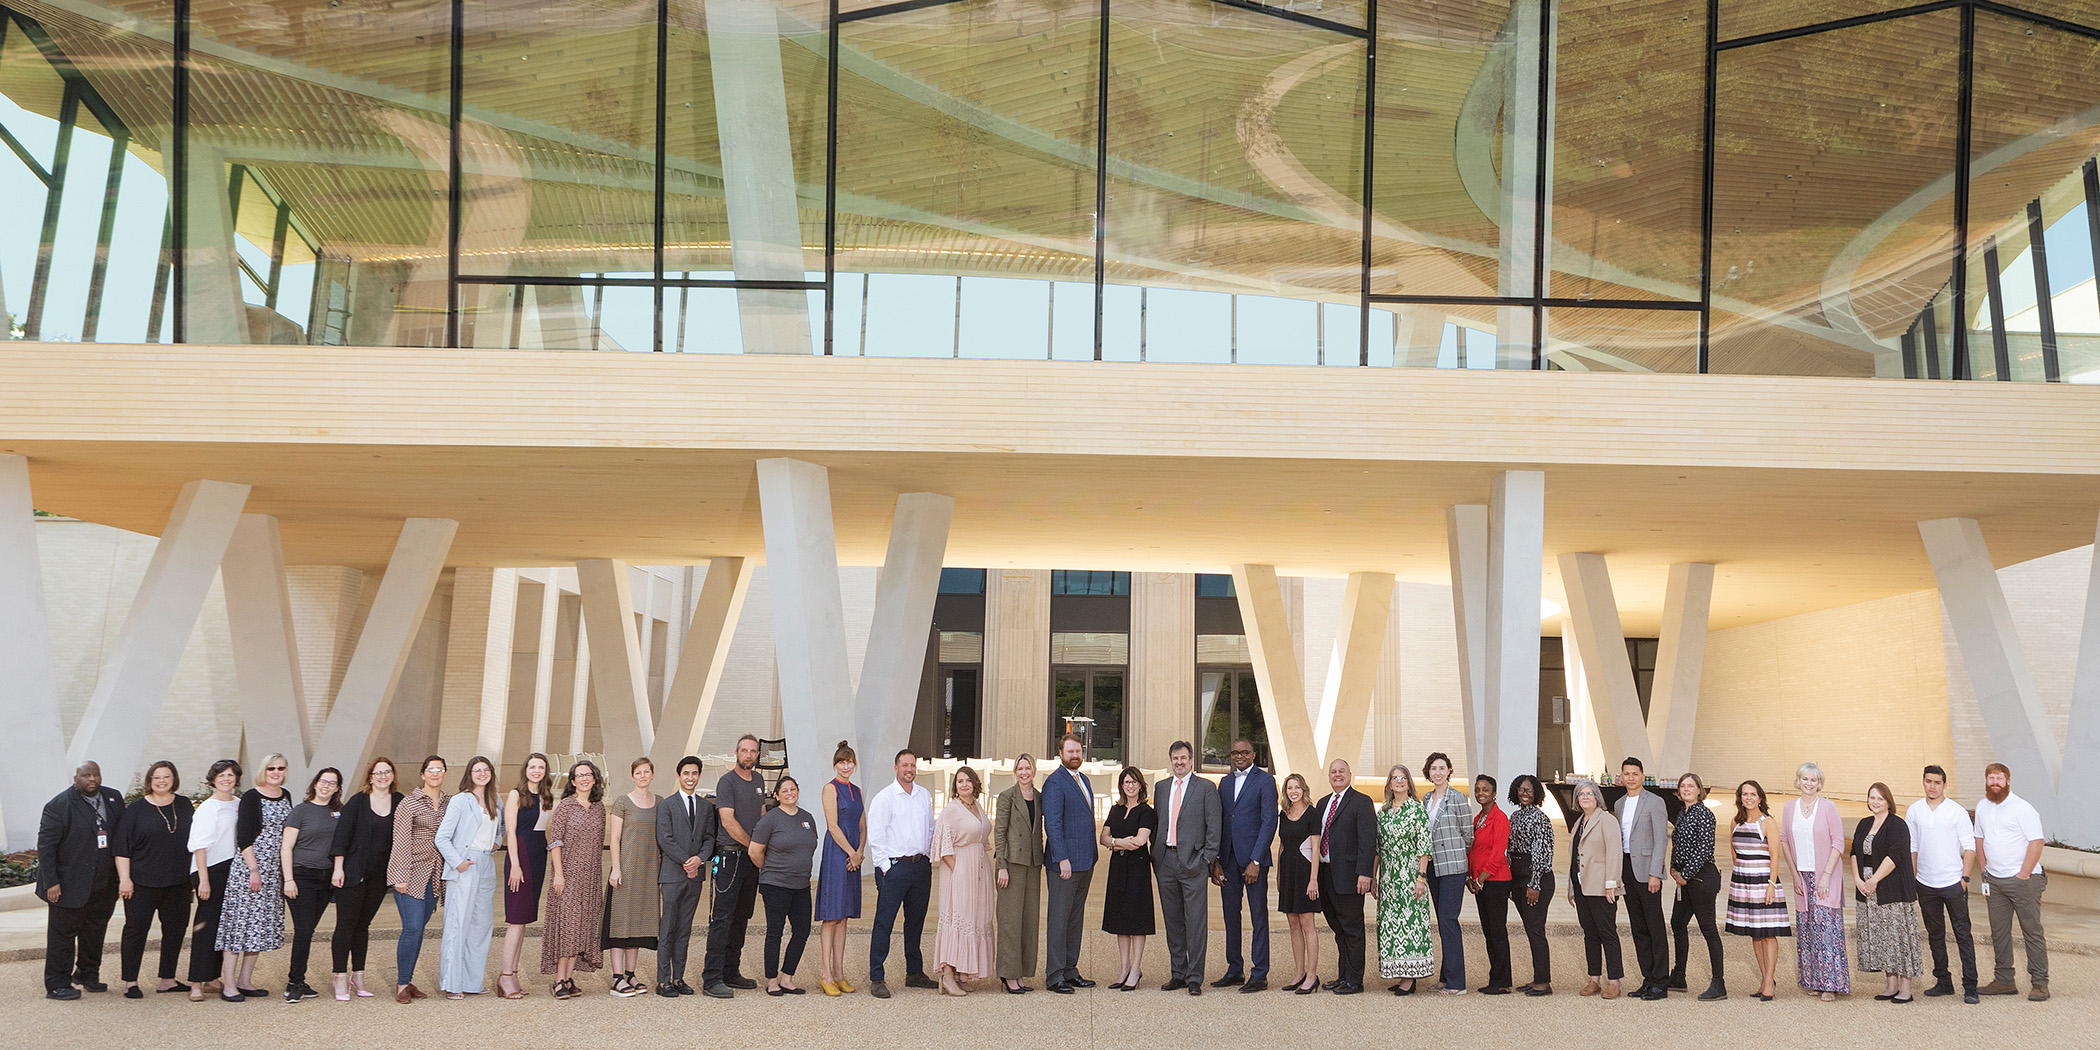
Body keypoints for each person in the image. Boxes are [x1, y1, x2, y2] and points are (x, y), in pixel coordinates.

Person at [38, 760, 125, 1000]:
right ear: (76, 778)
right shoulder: (59, 805)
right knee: (62, 937)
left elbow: (122, 836)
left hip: (104, 883)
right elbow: (46, 847)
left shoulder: (113, 798)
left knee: (95, 931)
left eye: (96, 774)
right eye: (86, 775)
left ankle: (87, 974)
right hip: (67, 885)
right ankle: (57, 984)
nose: (92, 779)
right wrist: (51, 883)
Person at [216, 752, 292, 1003]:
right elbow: (244, 837)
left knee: (258, 927)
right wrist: (253, 870)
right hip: (249, 869)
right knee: (238, 926)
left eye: (280, 768)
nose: (276, 772)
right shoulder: (251, 796)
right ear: (263, 770)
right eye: (271, 768)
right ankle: (228, 985)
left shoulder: (286, 795)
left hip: (273, 870)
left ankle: (245, 980)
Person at [114, 760, 192, 998]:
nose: (161, 781)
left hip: (178, 883)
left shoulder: (185, 804)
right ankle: (130, 982)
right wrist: (124, 879)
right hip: (142, 883)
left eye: (166, 777)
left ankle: (167, 979)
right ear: (149, 781)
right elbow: (121, 848)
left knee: (175, 931)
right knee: (136, 931)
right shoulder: (135, 809)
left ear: (174, 779)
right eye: (156, 777)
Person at [1973, 761, 2048, 1001]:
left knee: (2031, 931)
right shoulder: (1982, 807)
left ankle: (2040, 983)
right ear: (1986, 781)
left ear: (2008, 781)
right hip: (1994, 881)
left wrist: (2023, 874)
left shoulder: (2022, 808)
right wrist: (1984, 869)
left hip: (2024, 881)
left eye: (1999, 779)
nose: (1995, 783)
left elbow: (2036, 842)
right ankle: (2004, 980)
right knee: (1999, 932)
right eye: (1991, 779)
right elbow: (1979, 838)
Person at [865, 747, 936, 998]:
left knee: (915, 922)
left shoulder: (923, 795)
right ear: (896, 768)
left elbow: (930, 828)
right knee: (884, 922)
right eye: (905, 765)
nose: (909, 769)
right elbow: (876, 836)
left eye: (913, 765)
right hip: (894, 867)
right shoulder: (885, 798)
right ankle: (877, 976)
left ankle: (914, 972)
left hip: (920, 867)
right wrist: (886, 867)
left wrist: (927, 856)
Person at [1905, 764, 1977, 1003]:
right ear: (1923, 782)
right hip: (1926, 884)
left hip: (1953, 883)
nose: (1932, 786)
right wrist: (1913, 879)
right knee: (1935, 935)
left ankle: (1970, 986)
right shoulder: (1915, 811)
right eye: (1928, 781)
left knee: (1963, 934)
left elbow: (1970, 847)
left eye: (1937, 782)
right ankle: (1943, 981)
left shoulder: (1956, 812)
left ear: (1944, 785)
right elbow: (1912, 847)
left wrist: (1964, 879)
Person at [1776, 762, 1848, 1001]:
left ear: (1819, 783)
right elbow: (1784, 840)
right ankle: (1814, 980)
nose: (1809, 784)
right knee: (1807, 930)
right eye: (1805, 779)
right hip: (1801, 876)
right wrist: (1795, 874)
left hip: (1825, 874)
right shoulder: (1789, 808)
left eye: (1813, 780)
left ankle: (1831, 983)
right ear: (1799, 781)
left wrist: (1826, 875)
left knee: (1826, 928)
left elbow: (1839, 842)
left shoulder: (1828, 807)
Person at [328, 757, 399, 1001]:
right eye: (377, 772)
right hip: (352, 871)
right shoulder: (358, 802)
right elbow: (342, 836)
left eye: (387, 772)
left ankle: (357, 975)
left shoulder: (399, 801)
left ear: (392, 775)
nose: (382, 776)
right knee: (346, 924)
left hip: (380, 876)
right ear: (370, 777)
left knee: (363, 925)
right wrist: (338, 868)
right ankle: (339, 975)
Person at [1153, 740, 1220, 995]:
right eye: (1175, 758)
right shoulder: (1161, 788)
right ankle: (1178, 973)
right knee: (1173, 921)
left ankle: (1195, 977)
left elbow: (1214, 826)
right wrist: (1156, 855)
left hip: (1194, 863)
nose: (1179, 762)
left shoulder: (1205, 788)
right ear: (1170, 761)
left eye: (1183, 758)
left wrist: (1206, 859)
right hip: (1165, 861)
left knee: (1195, 922)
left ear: (1191, 760)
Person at [702, 734, 765, 998]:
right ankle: (712, 978)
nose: (748, 755)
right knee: (723, 918)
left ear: (757, 754)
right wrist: (753, 846)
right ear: (736, 753)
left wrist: (762, 847)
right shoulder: (727, 782)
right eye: (744, 750)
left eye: (753, 751)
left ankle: (731, 971)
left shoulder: (759, 781)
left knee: (742, 917)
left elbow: (762, 816)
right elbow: (727, 821)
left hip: (751, 858)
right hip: (730, 857)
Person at [1211, 737, 1276, 992]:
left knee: (1258, 917)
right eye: (1235, 753)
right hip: (1227, 860)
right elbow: (1219, 822)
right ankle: (1234, 969)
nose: (1239, 756)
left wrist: (1256, 860)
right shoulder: (1225, 783)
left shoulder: (1265, 781)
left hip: (1253, 862)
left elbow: (1269, 822)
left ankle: (1259, 974)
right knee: (1230, 916)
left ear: (1253, 755)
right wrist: (1215, 860)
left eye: (1244, 752)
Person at [436, 756, 503, 999]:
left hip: (486, 864)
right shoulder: (461, 800)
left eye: (486, 770)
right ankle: (452, 983)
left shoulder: (495, 800)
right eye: (477, 770)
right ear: (469, 774)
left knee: (481, 926)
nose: (482, 773)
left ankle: (472, 982)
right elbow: (442, 837)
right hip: (465, 863)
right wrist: (458, 863)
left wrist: (496, 843)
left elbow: (501, 828)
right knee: (458, 924)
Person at [750, 774, 820, 996]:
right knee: (775, 932)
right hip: (775, 884)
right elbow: (754, 851)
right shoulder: (770, 819)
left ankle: (787, 977)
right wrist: (770, 870)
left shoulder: (807, 817)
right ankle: (771, 980)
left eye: (793, 789)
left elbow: (811, 845)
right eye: (785, 790)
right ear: (778, 795)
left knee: (802, 931)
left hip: (801, 885)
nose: (790, 793)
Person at [543, 760, 607, 999]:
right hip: (567, 875)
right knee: (568, 926)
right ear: (572, 781)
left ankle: (569, 978)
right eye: (579, 775)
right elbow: (555, 841)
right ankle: (558, 979)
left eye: (588, 774)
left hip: (590, 878)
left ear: (594, 778)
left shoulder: (599, 808)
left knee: (581, 927)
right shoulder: (566, 807)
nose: (584, 779)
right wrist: (559, 874)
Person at [387, 755, 448, 1003]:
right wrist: (400, 876)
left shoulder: (449, 803)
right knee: (411, 928)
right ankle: (402, 984)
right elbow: (400, 841)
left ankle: (409, 980)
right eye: (430, 770)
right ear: (423, 774)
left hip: (435, 874)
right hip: (410, 873)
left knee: (419, 929)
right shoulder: (408, 803)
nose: (435, 773)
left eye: (440, 769)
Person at [1852, 781, 1921, 1003]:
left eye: (1880, 798)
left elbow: (1895, 856)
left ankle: (1906, 989)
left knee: (1898, 937)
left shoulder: (1897, 825)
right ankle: (1890, 985)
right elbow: (1854, 852)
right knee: (1881, 937)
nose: (1875, 802)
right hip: (1867, 889)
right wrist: (1858, 880)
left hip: (1892, 889)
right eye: (1872, 797)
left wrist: (1874, 880)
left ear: (1888, 801)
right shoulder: (1864, 824)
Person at [279, 767, 343, 1002]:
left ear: (337, 788)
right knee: (304, 931)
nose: (326, 786)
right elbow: (286, 847)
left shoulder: (339, 812)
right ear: (315, 784)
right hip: (301, 876)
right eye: (322, 781)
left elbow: (341, 845)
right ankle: (294, 983)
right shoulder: (301, 811)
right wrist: (288, 880)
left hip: (325, 880)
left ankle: (299, 980)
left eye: (332, 783)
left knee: (309, 930)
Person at [1041, 734, 1098, 994]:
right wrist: (1061, 857)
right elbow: (1052, 824)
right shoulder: (1054, 782)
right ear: (1060, 754)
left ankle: (1070, 970)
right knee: (1059, 919)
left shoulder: (1083, 779)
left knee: (1075, 918)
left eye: (1078, 751)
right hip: (1064, 864)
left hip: (1085, 861)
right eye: (1070, 751)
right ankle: (1054, 975)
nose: (1075, 755)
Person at [656, 755, 716, 998]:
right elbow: (665, 839)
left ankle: (678, 977)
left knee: (685, 929)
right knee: (668, 927)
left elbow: (710, 838)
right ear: (678, 776)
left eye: (694, 773)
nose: (690, 778)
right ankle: (663, 981)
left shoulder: (705, 806)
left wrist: (699, 859)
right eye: (686, 774)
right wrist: (686, 861)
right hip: (672, 874)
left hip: (695, 875)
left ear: (699, 776)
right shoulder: (667, 805)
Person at [1724, 779, 1789, 1000]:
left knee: (1768, 933)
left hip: (1764, 883)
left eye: (1753, 794)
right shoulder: (1735, 822)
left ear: (1760, 797)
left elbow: (1775, 855)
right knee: (1755, 933)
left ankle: (1770, 981)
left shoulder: (1767, 822)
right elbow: (1734, 853)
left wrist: (1771, 885)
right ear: (1739, 798)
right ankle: (1764, 980)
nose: (1748, 798)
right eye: (1744, 794)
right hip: (1743, 883)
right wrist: (1741, 874)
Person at [934, 765, 996, 995]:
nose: (963, 784)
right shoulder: (952, 810)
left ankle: (962, 971)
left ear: (975, 784)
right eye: (959, 781)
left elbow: (982, 837)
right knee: (956, 919)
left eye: (967, 780)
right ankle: (947, 975)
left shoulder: (977, 807)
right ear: (955, 786)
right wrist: (957, 869)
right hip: (959, 869)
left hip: (979, 869)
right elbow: (942, 845)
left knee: (974, 917)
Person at [1316, 758, 1376, 995]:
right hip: (1326, 874)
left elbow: (1368, 840)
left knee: (1353, 929)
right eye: (1333, 772)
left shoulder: (1361, 802)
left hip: (1350, 876)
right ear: (1329, 777)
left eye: (1342, 771)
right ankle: (1343, 976)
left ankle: (1355, 980)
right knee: (1338, 928)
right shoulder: (1322, 803)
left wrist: (1365, 873)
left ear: (1350, 775)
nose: (1337, 775)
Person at [603, 756, 661, 997]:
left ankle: (630, 974)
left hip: (648, 872)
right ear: (632, 776)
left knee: (637, 924)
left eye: (647, 772)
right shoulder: (622, 802)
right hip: (625, 870)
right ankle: (617, 978)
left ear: (652, 775)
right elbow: (614, 839)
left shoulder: (660, 802)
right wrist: (616, 868)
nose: (643, 776)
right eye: (638, 772)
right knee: (620, 923)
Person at [1614, 756, 1670, 1000]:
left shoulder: (1655, 802)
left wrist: (1655, 873)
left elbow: (1661, 840)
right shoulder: (1618, 804)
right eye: (1626, 773)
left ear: (1642, 775)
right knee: (1638, 928)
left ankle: (1661, 982)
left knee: (1655, 927)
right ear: (1621, 776)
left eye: (1635, 773)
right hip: (1627, 869)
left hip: (1647, 871)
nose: (1630, 778)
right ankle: (1647, 979)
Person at [186, 760, 241, 1001]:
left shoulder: (240, 804)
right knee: (206, 926)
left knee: (225, 927)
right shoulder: (208, 808)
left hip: (233, 868)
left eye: (230, 775)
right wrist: (204, 881)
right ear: (213, 779)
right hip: (208, 868)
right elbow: (199, 846)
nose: (226, 779)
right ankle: (196, 983)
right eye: (221, 775)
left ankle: (213, 976)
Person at [1375, 764, 1433, 994]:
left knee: (1411, 924)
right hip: (1389, 879)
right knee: (1391, 925)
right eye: (1394, 778)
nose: (1399, 781)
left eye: (1403, 778)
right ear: (1389, 783)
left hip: (1409, 875)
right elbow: (1378, 848)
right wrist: (1373, 876)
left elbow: (1424, 846)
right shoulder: (1384, 812)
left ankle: (1411, 978)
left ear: (1409, 783)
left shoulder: (1417, 810)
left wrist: (1421, 878)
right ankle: (1401, 972)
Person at [1668, 773, 1725, 1000]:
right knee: (1677, 923)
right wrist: (1673, 869)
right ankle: (1679, 975)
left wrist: (1685, 874)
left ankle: (1719, 983)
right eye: (1683, 786)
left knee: (1708, 929)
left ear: (1699, 790)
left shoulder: (1705, 814)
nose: (1686, 789)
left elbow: (1704, 849)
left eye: (1691, 786)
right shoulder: (1682, 813)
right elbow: (1678, 844)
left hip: (1701, 879)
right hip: (1683, 878)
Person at [500, 752, 553, 999]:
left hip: (538, 855)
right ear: (526, 769)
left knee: (524, 920)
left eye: (541, 767)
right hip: (520, 854)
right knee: (516, 920)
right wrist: (515, 865)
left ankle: (513, 973)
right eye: (532, 766)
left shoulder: (546, 796)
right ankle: (505, 976)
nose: (536, 771)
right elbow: (510, 832)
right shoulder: (515, 794)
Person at [1420, 752, 1473, 994]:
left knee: (1449, 919)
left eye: (1442, 768)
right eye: (1434, 768)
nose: (1438, 772)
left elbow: (1468, 836)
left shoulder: (1459, 799)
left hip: (1452, 867)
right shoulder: (1426, 799)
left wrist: (1457, 855)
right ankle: (1445, 975)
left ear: (1449, 770)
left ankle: (1457, 983)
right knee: (1442, 921)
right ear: (1428, 772)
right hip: (1433, 867)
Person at [815, 741, 865, 996]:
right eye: (841, 762)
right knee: (831, 914)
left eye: (849, 762)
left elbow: (862, 825)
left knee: (844, 916)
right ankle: (825, 974)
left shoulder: (857, 790)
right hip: (838, 853)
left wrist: (860, 853)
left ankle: (839, 972)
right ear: (835, 764)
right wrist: (851, 853)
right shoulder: (830, 788)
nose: (846, 766)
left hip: (854, 855)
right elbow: (832, 826)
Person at [1099, 765, 1155, 991]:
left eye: (1134, 782)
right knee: (1121, 918)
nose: (1130, 786)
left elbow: (1140, 841)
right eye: (1126, 782)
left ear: (1140, 785)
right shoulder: (1115, 810)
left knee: (1137, 919)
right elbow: (1103, 837)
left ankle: (1136, 969)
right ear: (1121, 786)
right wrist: (1118, 843)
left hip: (1138, 868)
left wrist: (1115, 842)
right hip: (1118, 867)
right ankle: (1123, 968)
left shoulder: (1147, 811)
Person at [992, 753, 1044, 994]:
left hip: (1033, 864)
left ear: (1034, 771)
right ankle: (1008, 974)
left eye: (1028, 768)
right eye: (1020, 768)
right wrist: (1001, 865)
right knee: (1010, 921)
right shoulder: (1007, 797)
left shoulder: (1040, 797)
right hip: (1011, 865)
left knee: (1029, 921)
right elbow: (999, 833)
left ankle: (1022, 971)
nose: (1024, 772)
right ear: (1015, 771)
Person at [1569, 780, 1625, 1000]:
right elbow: (1575, 856)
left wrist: (1612, 883)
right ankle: (1594, 979)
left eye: (1589, 793)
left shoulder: (1607, 820)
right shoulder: (1579, 822)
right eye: (1580, 794)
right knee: (1590, 934)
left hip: (1602, 887)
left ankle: (1614, 981)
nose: (1585, 797)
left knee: (1607, 933)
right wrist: (1572, 888)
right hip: (1582, 886)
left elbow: (1614, 852)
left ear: (1597, 797)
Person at [1506, 774, 1555, 996]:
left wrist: (1534, 884)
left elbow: (1542, 854)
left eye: (1529, 790)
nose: (1525, 794)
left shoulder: (1540, 818)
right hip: (1517, 877)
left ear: (1536, 793)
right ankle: (1537, 978)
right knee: (1530, 928)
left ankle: (1544, 982)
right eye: (1521, 790)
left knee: (1536, 930)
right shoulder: (1514, 816)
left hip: (1536, 878)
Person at [1466, 772, 1513, 995]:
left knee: (1497, 931)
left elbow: (1498, 854)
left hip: (1495, 882)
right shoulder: (1478, 819)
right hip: (1480, 883)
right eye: (1477, 790)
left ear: (1494, 794)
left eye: (1485, 790)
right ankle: (1495, 977)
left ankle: (1502, 981)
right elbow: (1474, 851)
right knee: (1488, 931)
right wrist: (1470, 877)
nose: (1481, 793)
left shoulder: (1500, 818)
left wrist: (1480, 879)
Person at [1274, 773, 1320, 993]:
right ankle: (1299, 973)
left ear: (1304, 789)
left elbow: (1316, 849)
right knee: (1293, 924)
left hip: (1305, 873)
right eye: (1290, 788)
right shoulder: (1284, 814)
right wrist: (1279, 875)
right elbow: (1282, 845)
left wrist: (1313, 880)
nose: (1293, 791)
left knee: (1307, 924)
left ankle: (1312, 976)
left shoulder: (1312, 814)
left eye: (1297, 787)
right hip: (1288, 872)